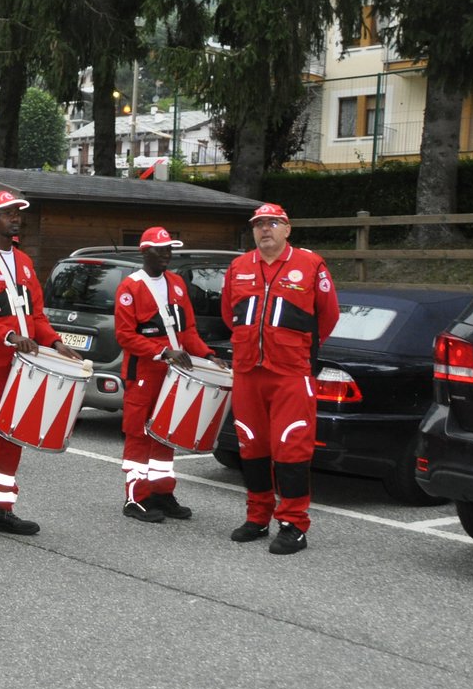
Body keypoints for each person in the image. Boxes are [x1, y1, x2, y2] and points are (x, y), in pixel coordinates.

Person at [0, 190, 83, 542]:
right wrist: (8, 336)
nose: (16, 218)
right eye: (9, 213)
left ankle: (2, 509)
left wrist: (55, 343)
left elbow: (36, 316)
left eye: (18, 214)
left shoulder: (25, 262)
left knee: (14, 434)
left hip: (24, 366)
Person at [221, 202, 339, 554]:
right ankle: (258, 517)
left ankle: (293, 525)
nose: (265, 229)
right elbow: (230, 315)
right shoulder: (238, 266)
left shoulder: (310, 263)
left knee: (291, 448)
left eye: (273, 223)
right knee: (251, 446)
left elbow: (327, 317)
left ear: (287, 229)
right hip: (248, 372)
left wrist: (297, 351)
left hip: (290, 374)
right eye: (259, 224)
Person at [113, 226, 224, 523]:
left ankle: (162, 492)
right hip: (144, 373)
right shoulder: (130, 287)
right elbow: (125, 336)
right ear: (144, 251)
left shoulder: (176, 283)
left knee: (165, 433)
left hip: (173, 374)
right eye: (160, 249)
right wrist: (163, 352)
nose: (166, 254)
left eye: (169, 249)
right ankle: (136, 498)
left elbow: (187, 331)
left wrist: (208, 355)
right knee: (139, 434)